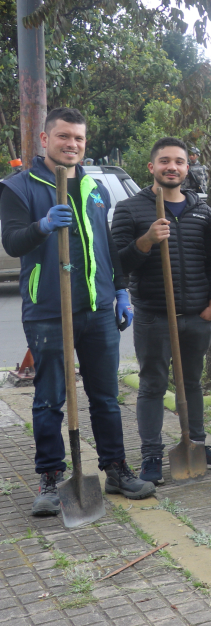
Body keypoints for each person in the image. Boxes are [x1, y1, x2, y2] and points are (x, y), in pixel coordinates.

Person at [1, 107, 155, 513]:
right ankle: (51, 478)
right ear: (46, 139)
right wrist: (43, 225)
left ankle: (116, 469)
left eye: (79, 139)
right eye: (64, 137)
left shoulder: (93, 188)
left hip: (99, 307)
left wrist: (120, 290)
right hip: (49, 310)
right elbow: (13, 243)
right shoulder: (20, 187)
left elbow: (104, 246)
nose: (72, 144)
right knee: (50, 398)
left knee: (105, 395)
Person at [112, 137, 211, 485]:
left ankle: (195, 442)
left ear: (187, 168)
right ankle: (151, 455)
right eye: (164, 161)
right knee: (151, 385)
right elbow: (118, 264)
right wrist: (146, 240)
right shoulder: (130, 209)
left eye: (178, 161)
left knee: (191, 383)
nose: (171, 167)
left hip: (196, 316)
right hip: (154, 316)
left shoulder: (201, 211)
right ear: (152, 167)